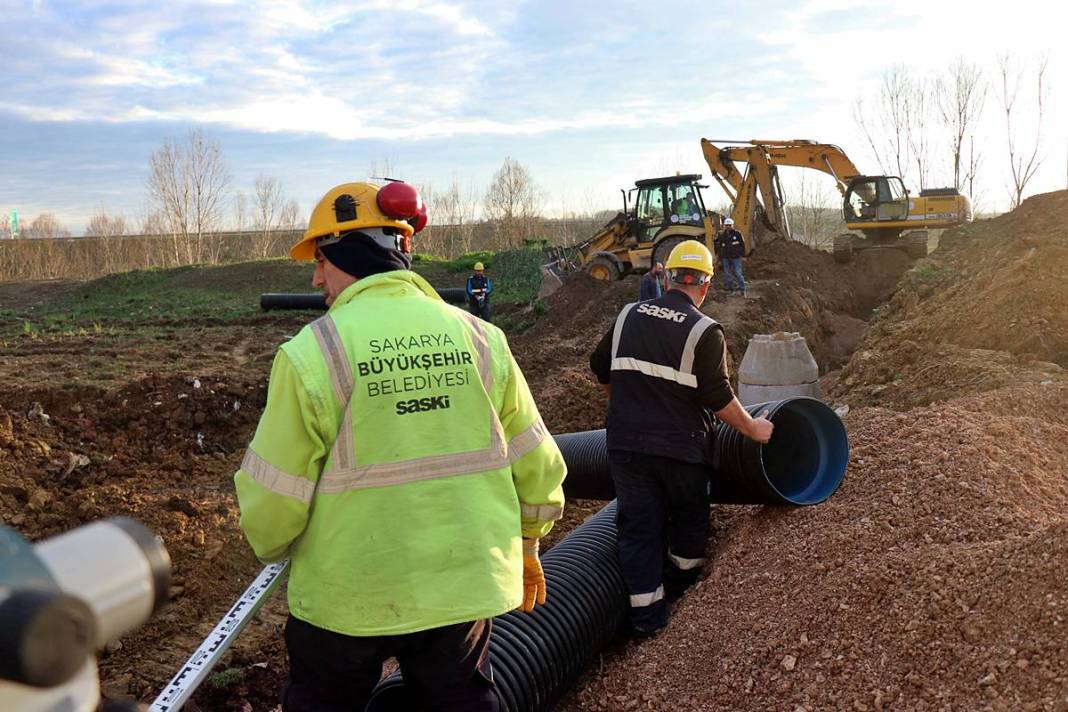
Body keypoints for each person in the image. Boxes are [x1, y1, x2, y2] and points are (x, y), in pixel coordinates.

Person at [233, 181, 567, 712]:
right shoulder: (482, 339)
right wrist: (530, 539)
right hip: (460, 590)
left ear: (350, 251)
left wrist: (274, 545)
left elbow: (273, 501)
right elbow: (537, 461)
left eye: (320, 259)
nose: (316, 277)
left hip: (345, 600)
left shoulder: (311, 353)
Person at [588, 240, 773, 637]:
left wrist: (626, 403)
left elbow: (600, 368)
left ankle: (648, 621)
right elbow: (719, 397)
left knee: (638, 528)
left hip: (627, 446)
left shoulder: (627, 316)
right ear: (705, 285)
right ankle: (683, 596)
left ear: (668, 277)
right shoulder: (705, 330)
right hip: (681, 449)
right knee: (689, 522)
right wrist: (753, 429)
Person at [714, 217, 747, 296]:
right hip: (726, 258)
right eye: (726, 225)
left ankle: (743, 290)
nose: (728, 226)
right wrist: (719, 257)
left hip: (736, 257)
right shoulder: (722, 235)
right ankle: (731, 290)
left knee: (738, 273)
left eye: (729, 225)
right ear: (724, 226)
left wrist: (743, 255)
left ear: (732, 225)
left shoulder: (737, 234)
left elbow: (742, 245)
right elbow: (718, 246)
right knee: (727, 274)